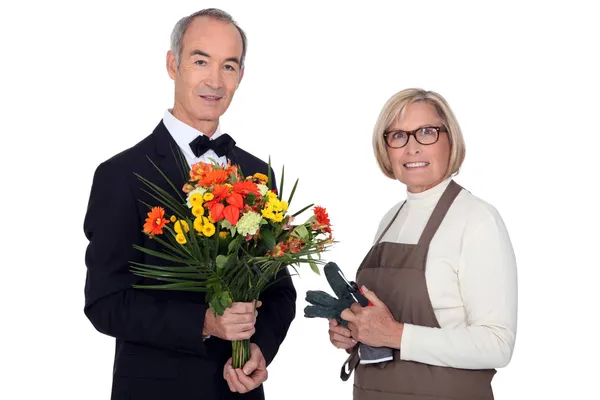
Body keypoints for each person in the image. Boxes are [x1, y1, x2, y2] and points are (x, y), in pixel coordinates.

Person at [83, 9, 296, 400]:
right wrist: (205, 322)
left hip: (240, 392)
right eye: (201, 61)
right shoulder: (122, 174)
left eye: (228, 66)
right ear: (172, 64)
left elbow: (280, 292)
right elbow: (106, 302)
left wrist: (259, 349)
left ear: (241, 76)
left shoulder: (256, 173)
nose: (215, 81)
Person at [328, 88, 517, 399]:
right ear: (385, 147)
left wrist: (395, 334)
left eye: (427, 132)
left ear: (450, 140)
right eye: (398, 135)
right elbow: (382, 321)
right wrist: (354, 331)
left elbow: (498, 345)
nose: (412, 147)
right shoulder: (391, 218)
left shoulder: (477, 219)